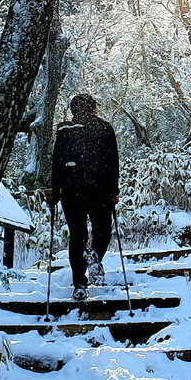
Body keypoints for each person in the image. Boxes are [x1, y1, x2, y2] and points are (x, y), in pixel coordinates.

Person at [50, 92, 120, 299]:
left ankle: (79, 284)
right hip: (99, 190)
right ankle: (96, 255)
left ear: (73, 110)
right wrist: (113, 191)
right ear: (93, 108)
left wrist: (55, 191)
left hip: (71, 191)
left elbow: (57, 163)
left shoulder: (65, 130)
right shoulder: (104, 128)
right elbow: (112, 162)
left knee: (77, 236)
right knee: (103, 230)